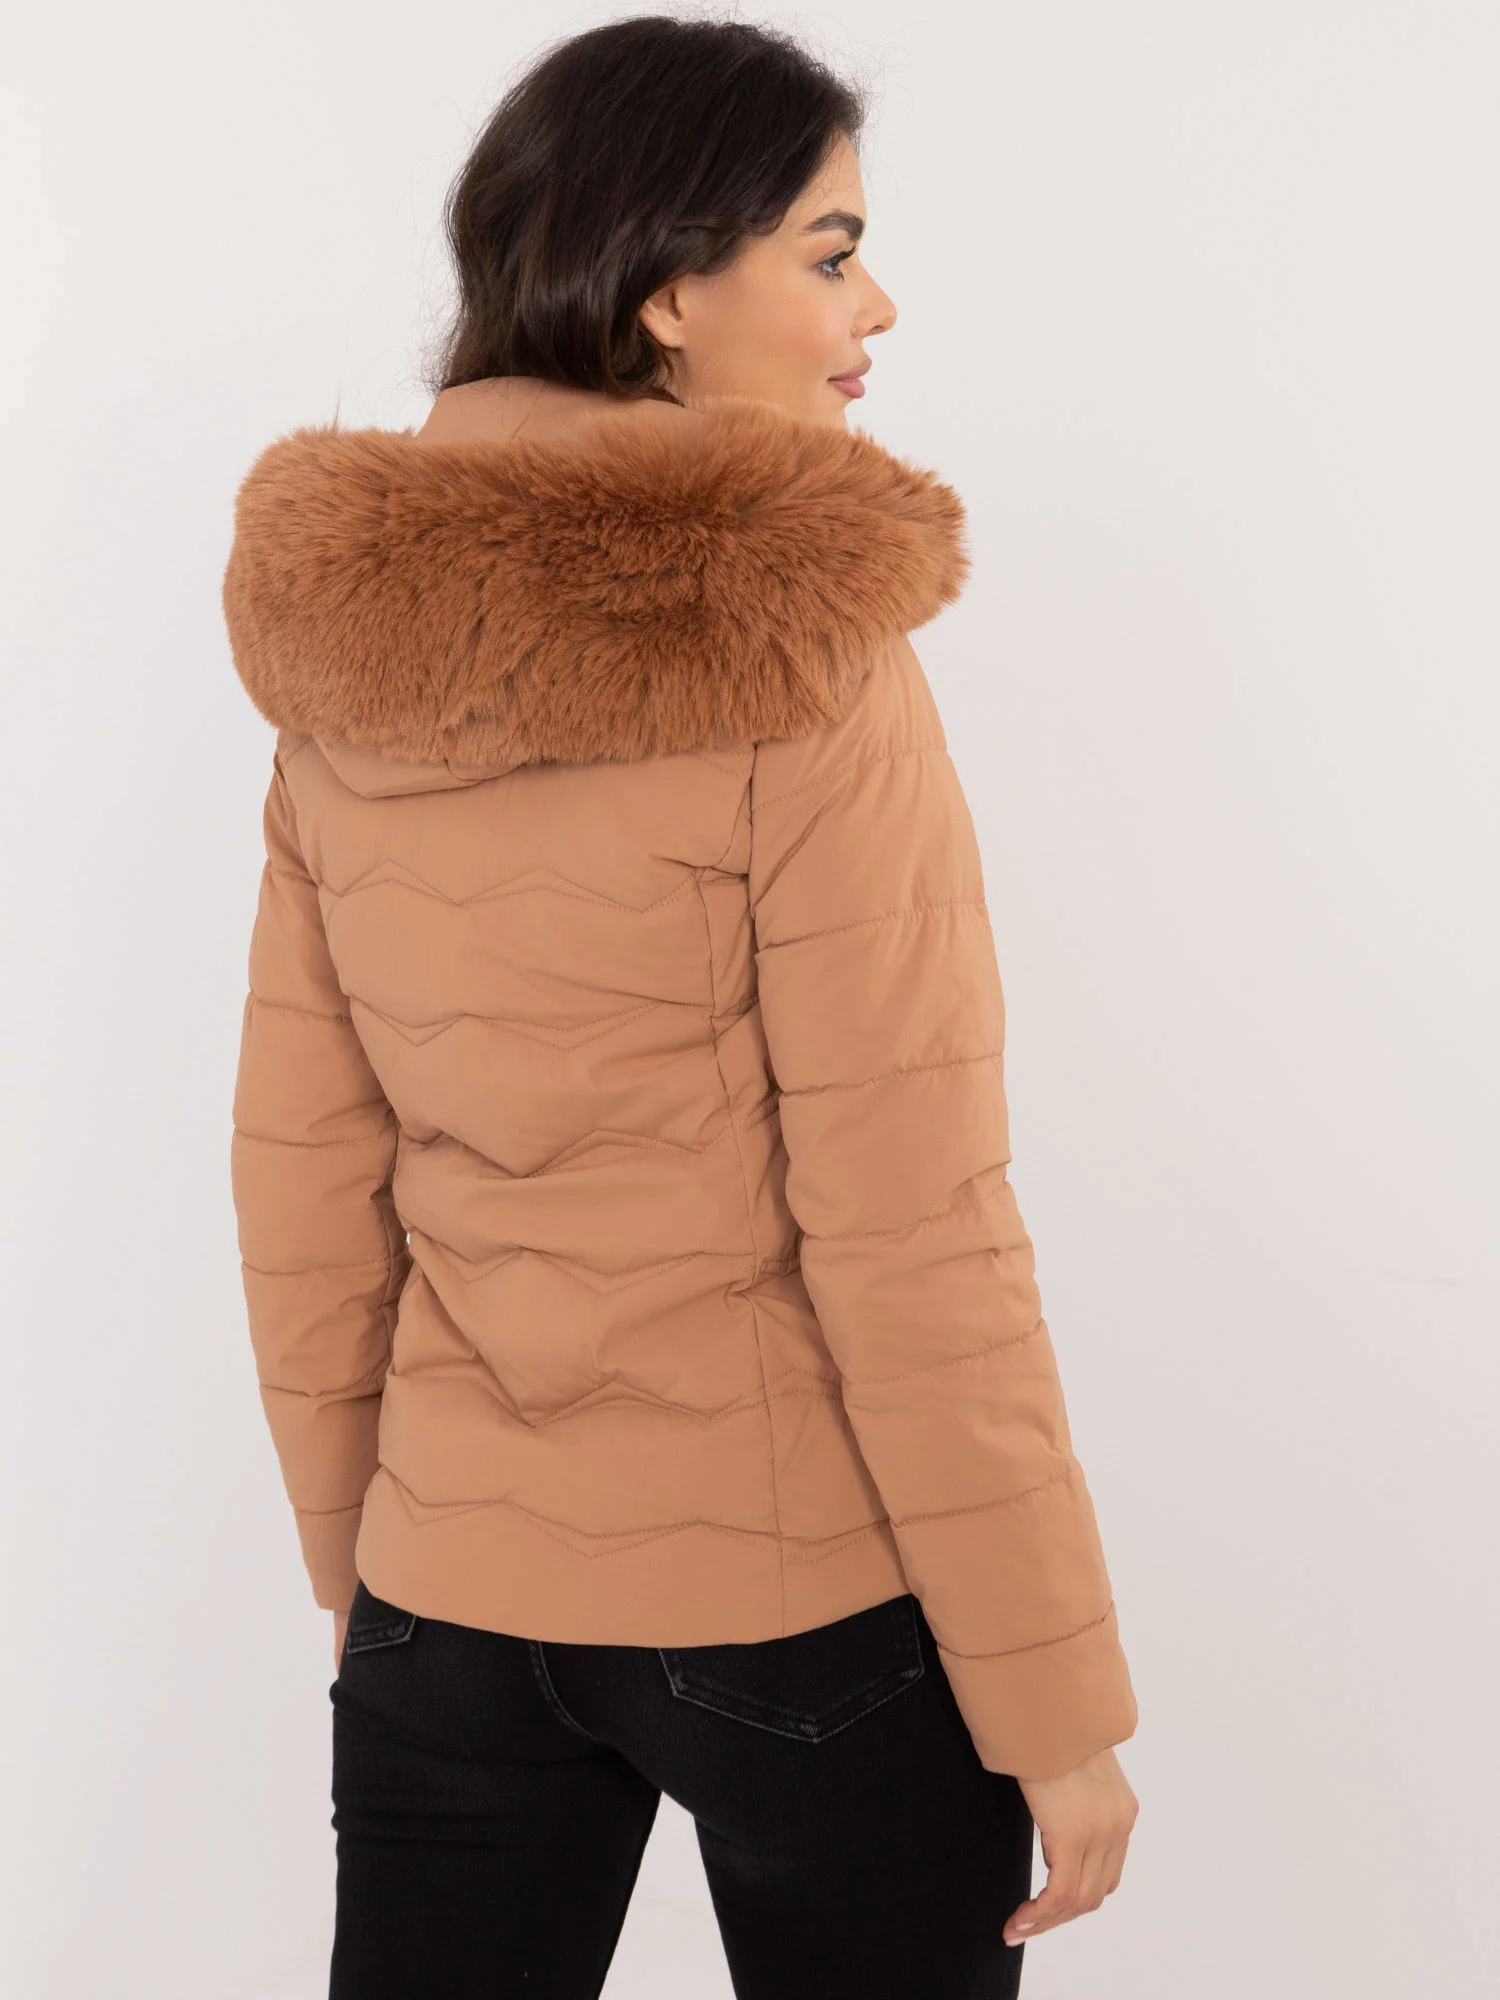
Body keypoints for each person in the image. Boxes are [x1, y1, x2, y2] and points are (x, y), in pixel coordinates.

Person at [220, 16, 1140, 1998]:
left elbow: (306, 1181)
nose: (876, 306)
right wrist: (1055, 1696)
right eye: (831, 253)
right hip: (799, 1605)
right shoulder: (809, 649)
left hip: (445, 1604)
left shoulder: (338, 663)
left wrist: (373, 1576)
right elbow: (911, 1225)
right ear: (664, 296)